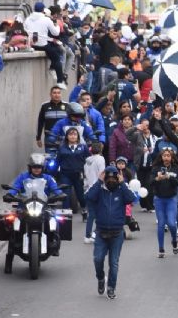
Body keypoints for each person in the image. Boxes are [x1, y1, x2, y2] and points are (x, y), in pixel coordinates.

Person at [85, 165, 137, 299]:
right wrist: (99, 181)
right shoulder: (99, 191)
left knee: (113, 263)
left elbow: (131, 199)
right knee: (98, 259)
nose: (112, 180)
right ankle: (101, 278)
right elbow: (89, 197)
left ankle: (111, 287)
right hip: (101, 232)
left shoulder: (121, 191)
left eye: (114, 177)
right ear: (105, 177)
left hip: (117, 233)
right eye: (109, 177)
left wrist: (122, 183)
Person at [150, 148, 178, 258]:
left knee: (172, 223)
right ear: (161, 157)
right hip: (159, 200)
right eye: (164, 155)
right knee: (161, 224)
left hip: (171, 200)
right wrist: (157, 178)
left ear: (172, 158)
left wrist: (169, 177)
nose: (166, 157)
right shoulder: (156, 168)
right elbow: (150, 182)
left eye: (168, 155)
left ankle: (174, 240)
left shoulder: (176, 168)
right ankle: (161, 248)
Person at [24, 2, 65, 83]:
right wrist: (56, 25)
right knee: (57, 54)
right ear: (43, 10)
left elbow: (25, 31)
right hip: (42, 45)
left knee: (55, 48)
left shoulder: (28, 19)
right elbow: (56, 33)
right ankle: (60, 80)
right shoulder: (46, 19)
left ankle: (53, 70)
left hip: (31, 44)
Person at [57, 127, 89, 216]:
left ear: (78, 136)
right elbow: (57, 160)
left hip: (78, 174)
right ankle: (65, 214)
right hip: (65, 174)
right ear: (67, 136)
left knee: (80, 194)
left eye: (74, 134)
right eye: (70, 134)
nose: (72, 136)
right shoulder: (62, 148)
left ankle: (84, 209)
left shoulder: (83, 147)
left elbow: (88, 159)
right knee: (65, 195)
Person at [82, 142, 105, 243]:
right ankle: (95, 233)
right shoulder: (101, 159)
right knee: (102, 212)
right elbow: (102, 174)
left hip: (88, 189)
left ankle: (87, 236)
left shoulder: (87, 161)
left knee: (91, 214)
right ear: (100, 149)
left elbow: (85, 176)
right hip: (98, 188)